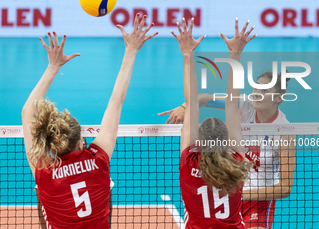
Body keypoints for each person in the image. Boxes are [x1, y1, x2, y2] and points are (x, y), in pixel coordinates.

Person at [21, 13, 157, 229]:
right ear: (81, 143)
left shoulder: (44, 171)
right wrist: (131, 51)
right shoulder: (98, 160)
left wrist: (53, 67)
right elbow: (116, 102)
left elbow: (28, 111)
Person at [159, 40, 295, 229]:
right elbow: (204, 98)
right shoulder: (245, 105)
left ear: (279, 98)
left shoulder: (285, 132)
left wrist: (242, 193)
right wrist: (185, 107)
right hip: (227, 187)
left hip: (255, 201)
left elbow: (285, 188)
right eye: (256, 88)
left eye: (264, 91)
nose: (256, 93)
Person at [174, 17, 254, 228]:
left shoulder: (189, 163)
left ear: (198, 141)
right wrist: (235, 54)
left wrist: (187, 55)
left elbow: (192, 103)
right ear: (227, 139)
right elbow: (231, 105)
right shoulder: (236, 162)